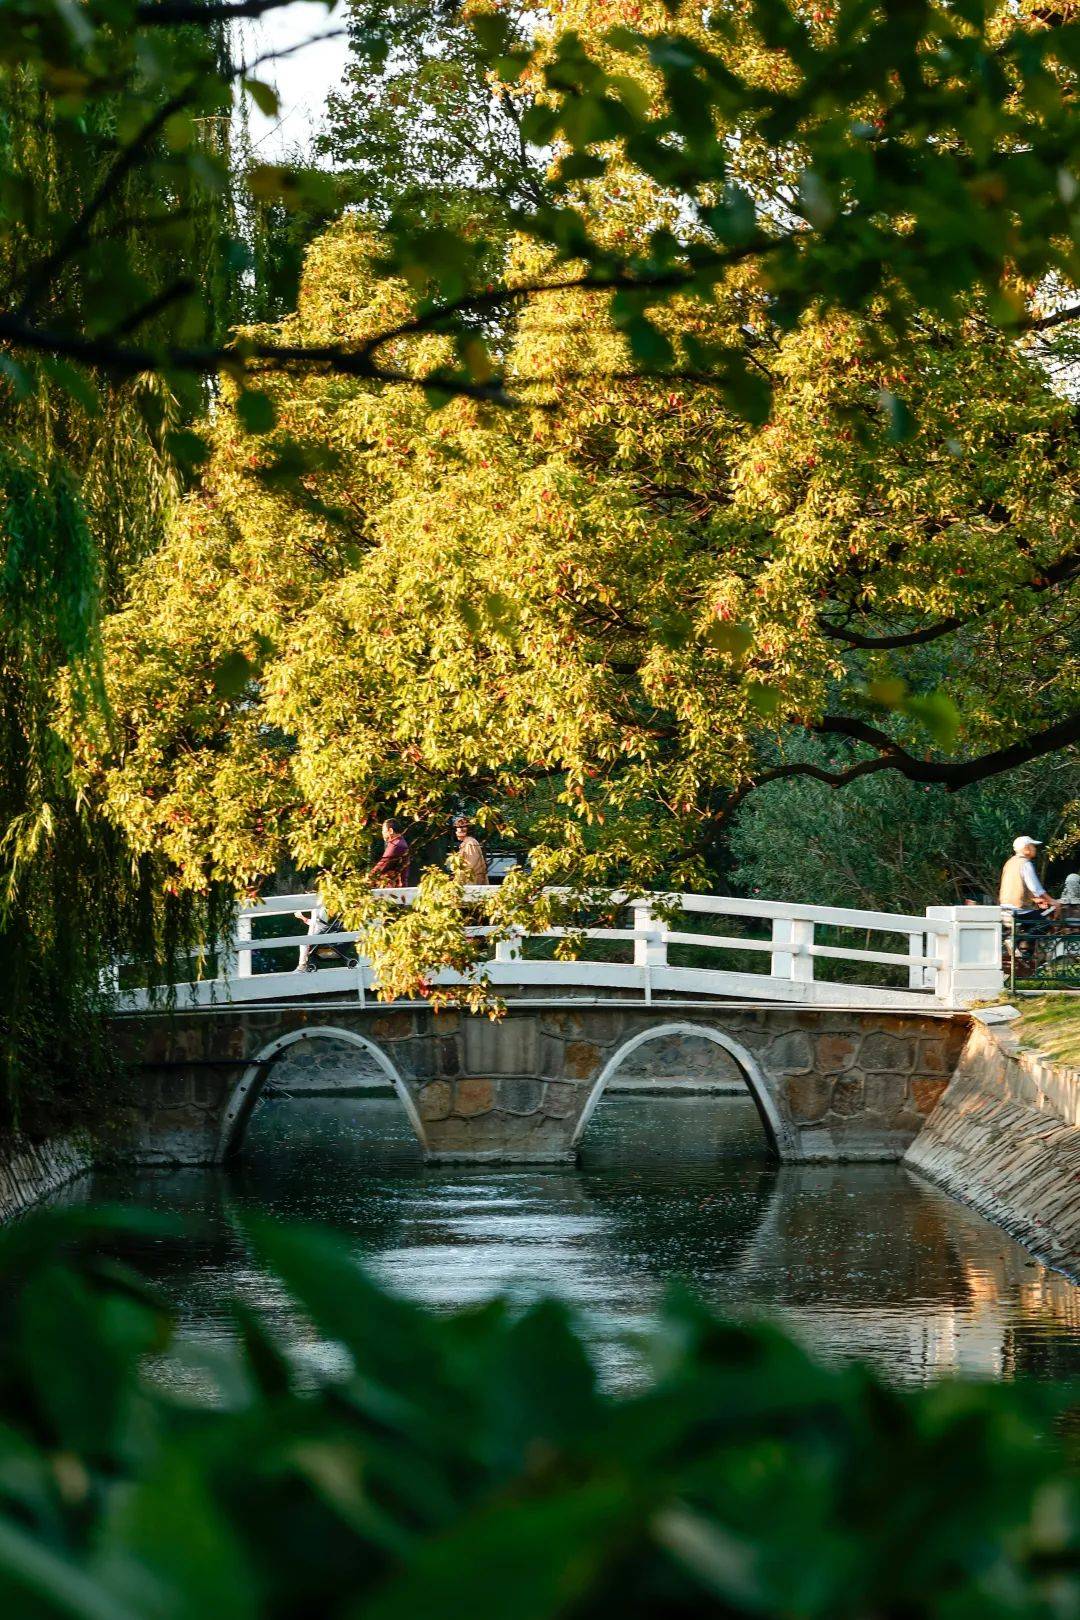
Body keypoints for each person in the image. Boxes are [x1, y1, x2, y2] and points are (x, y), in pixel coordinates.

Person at [999, 835, 1061, 918]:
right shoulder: (1025, 863)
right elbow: (1036, 889)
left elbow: (1016, 888)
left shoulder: (1009, 863)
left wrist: (1037, 900)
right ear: (1026, 848)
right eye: (1033, 846)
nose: (1035, 849)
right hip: (1019, 911)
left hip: (1004, 909)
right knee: (1044, 925)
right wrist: (1052, 901)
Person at [370, 819, 411, 887]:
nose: (382, 832)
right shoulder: (398, 842)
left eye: (383, 830)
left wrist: (366, 880)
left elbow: (381, 865)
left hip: (395, 889)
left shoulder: (396, 845)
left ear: (390, 831)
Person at [451, 815, 488, 886]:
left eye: (458, 828)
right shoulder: (467, 842)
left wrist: (460, 880)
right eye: (457, 828)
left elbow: (471, 867)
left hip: (471, 882)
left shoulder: (470, 843)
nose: (457, 831)